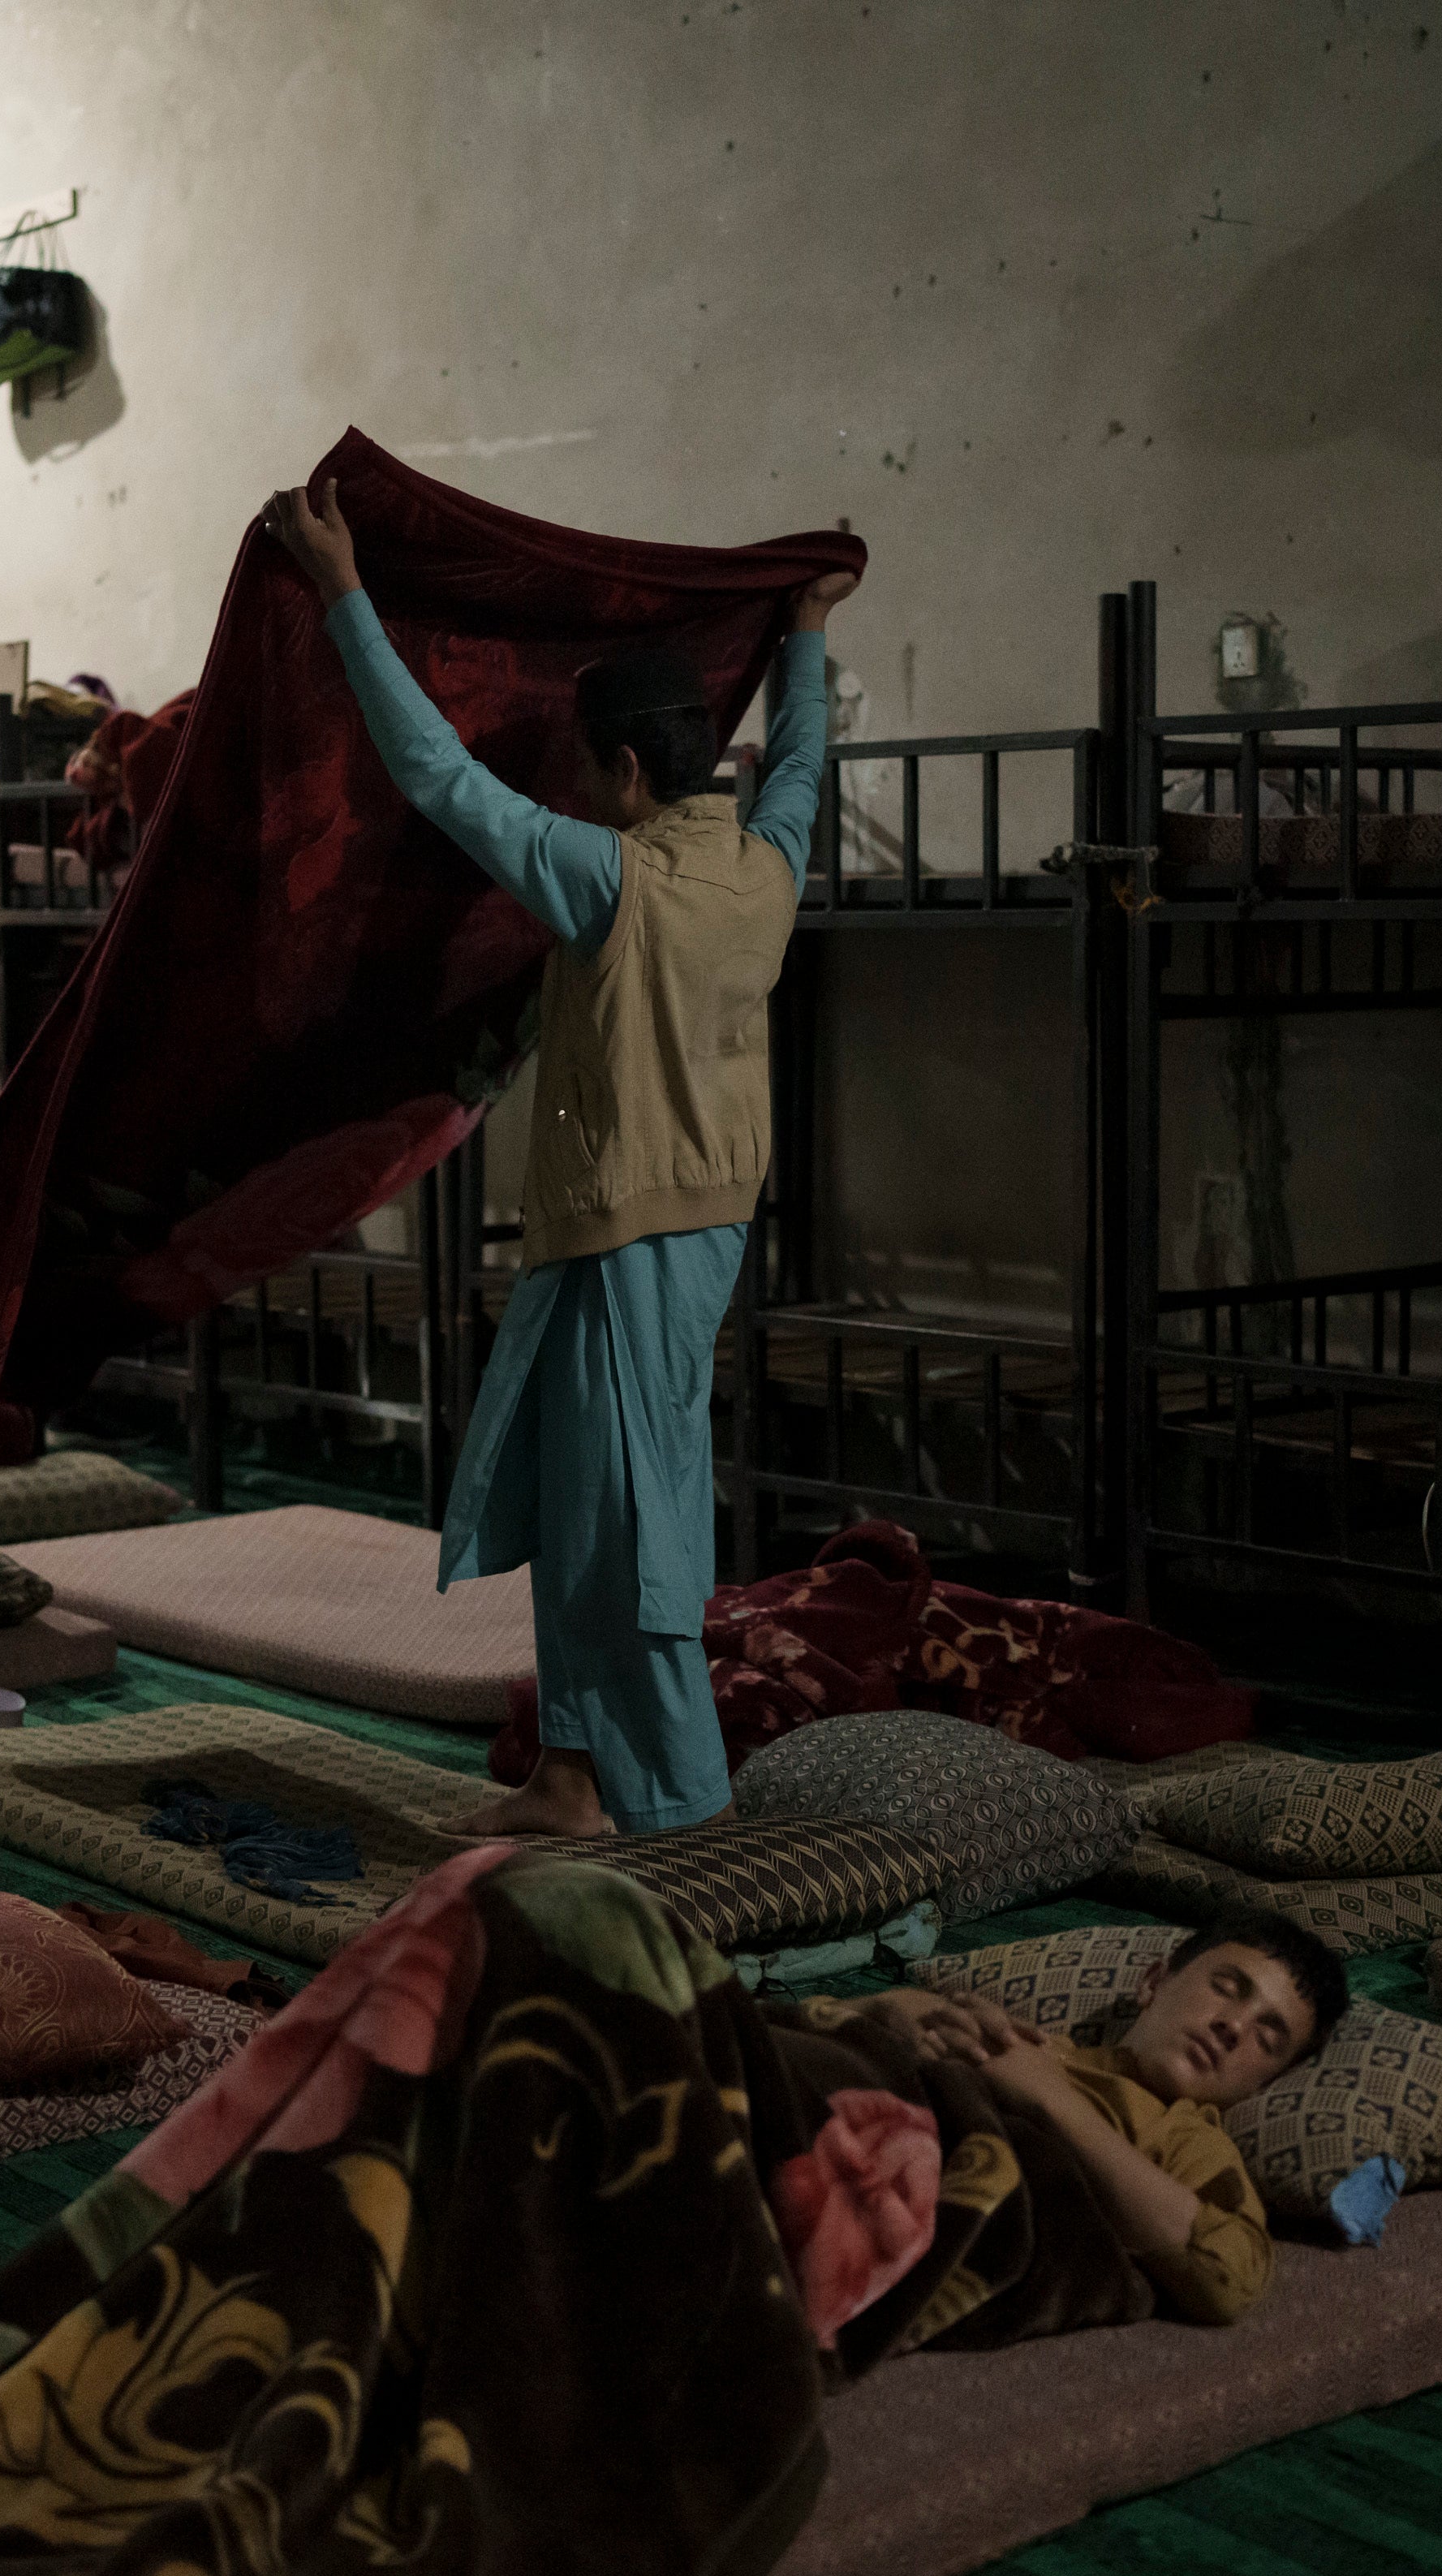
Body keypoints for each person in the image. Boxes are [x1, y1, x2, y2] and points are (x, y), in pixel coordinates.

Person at [258, 478, 857, 1840]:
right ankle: (577, 1774)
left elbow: (435, 779)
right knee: (585, 1495)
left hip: (642, 1231)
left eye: (584, 766)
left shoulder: (616, 878)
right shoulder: (761, 866)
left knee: (636, 1518)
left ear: (628, 775)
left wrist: (346, 587)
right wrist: (808, 632)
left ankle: (686, 1804)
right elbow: (806, 766)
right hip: (664, 1224)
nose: (572, 788)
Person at [824, 1909, 1348, 2324]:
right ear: (1153, 1983)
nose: (1233, 2025)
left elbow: (1228, 2274)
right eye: (1227, 1987)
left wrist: (1052, 2102)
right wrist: (893, 2010)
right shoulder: (1034, 2043)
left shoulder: (1191, 2141)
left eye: (1268, 2036)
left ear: (1267, 2083)